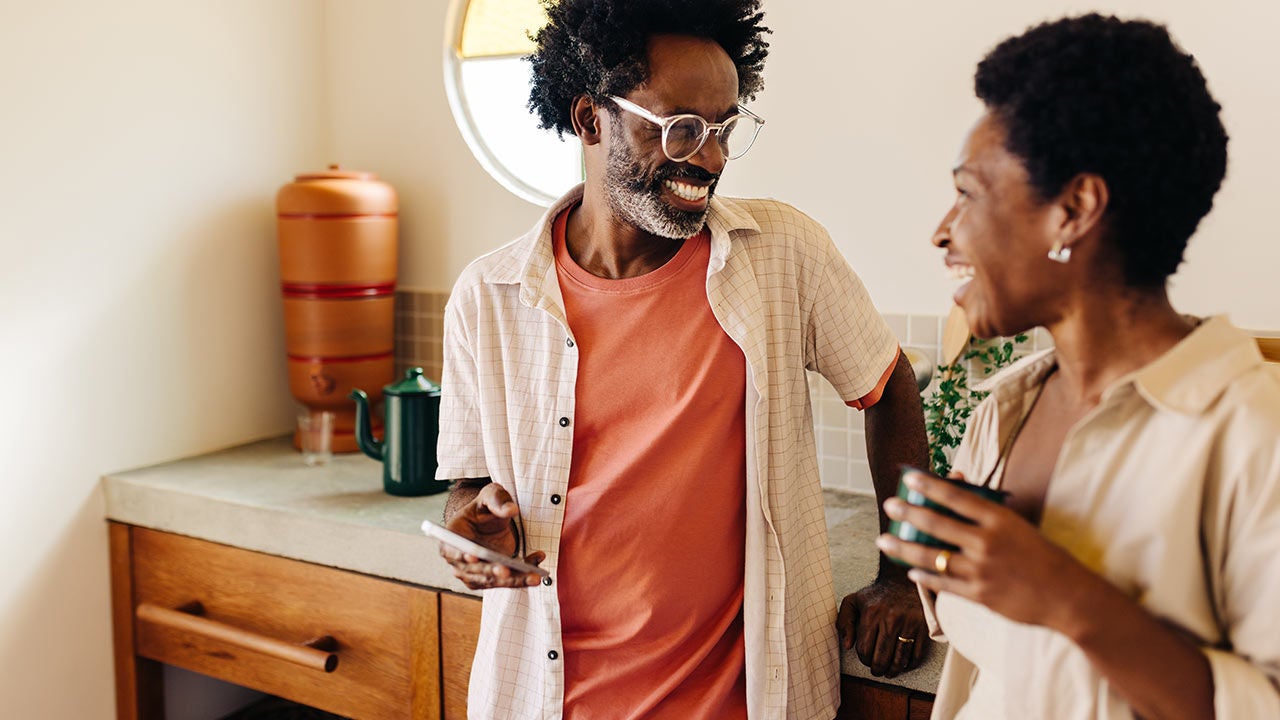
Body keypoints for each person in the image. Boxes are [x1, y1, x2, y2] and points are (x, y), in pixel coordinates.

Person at [433, 1, 931, 717]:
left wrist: (902, 574)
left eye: (725, 128)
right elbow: (471, 486)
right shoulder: (489, 295)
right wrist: (472, 529)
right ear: (589, 120)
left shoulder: (782, 253)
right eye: (681, 129)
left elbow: (888, 384)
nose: (712, 157)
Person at [875, 13, 1280, 719]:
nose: (943, 230)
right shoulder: (1000, 415)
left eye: (968, 193)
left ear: (1073, 210)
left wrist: (1067, 597)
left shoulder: (1252, 436)